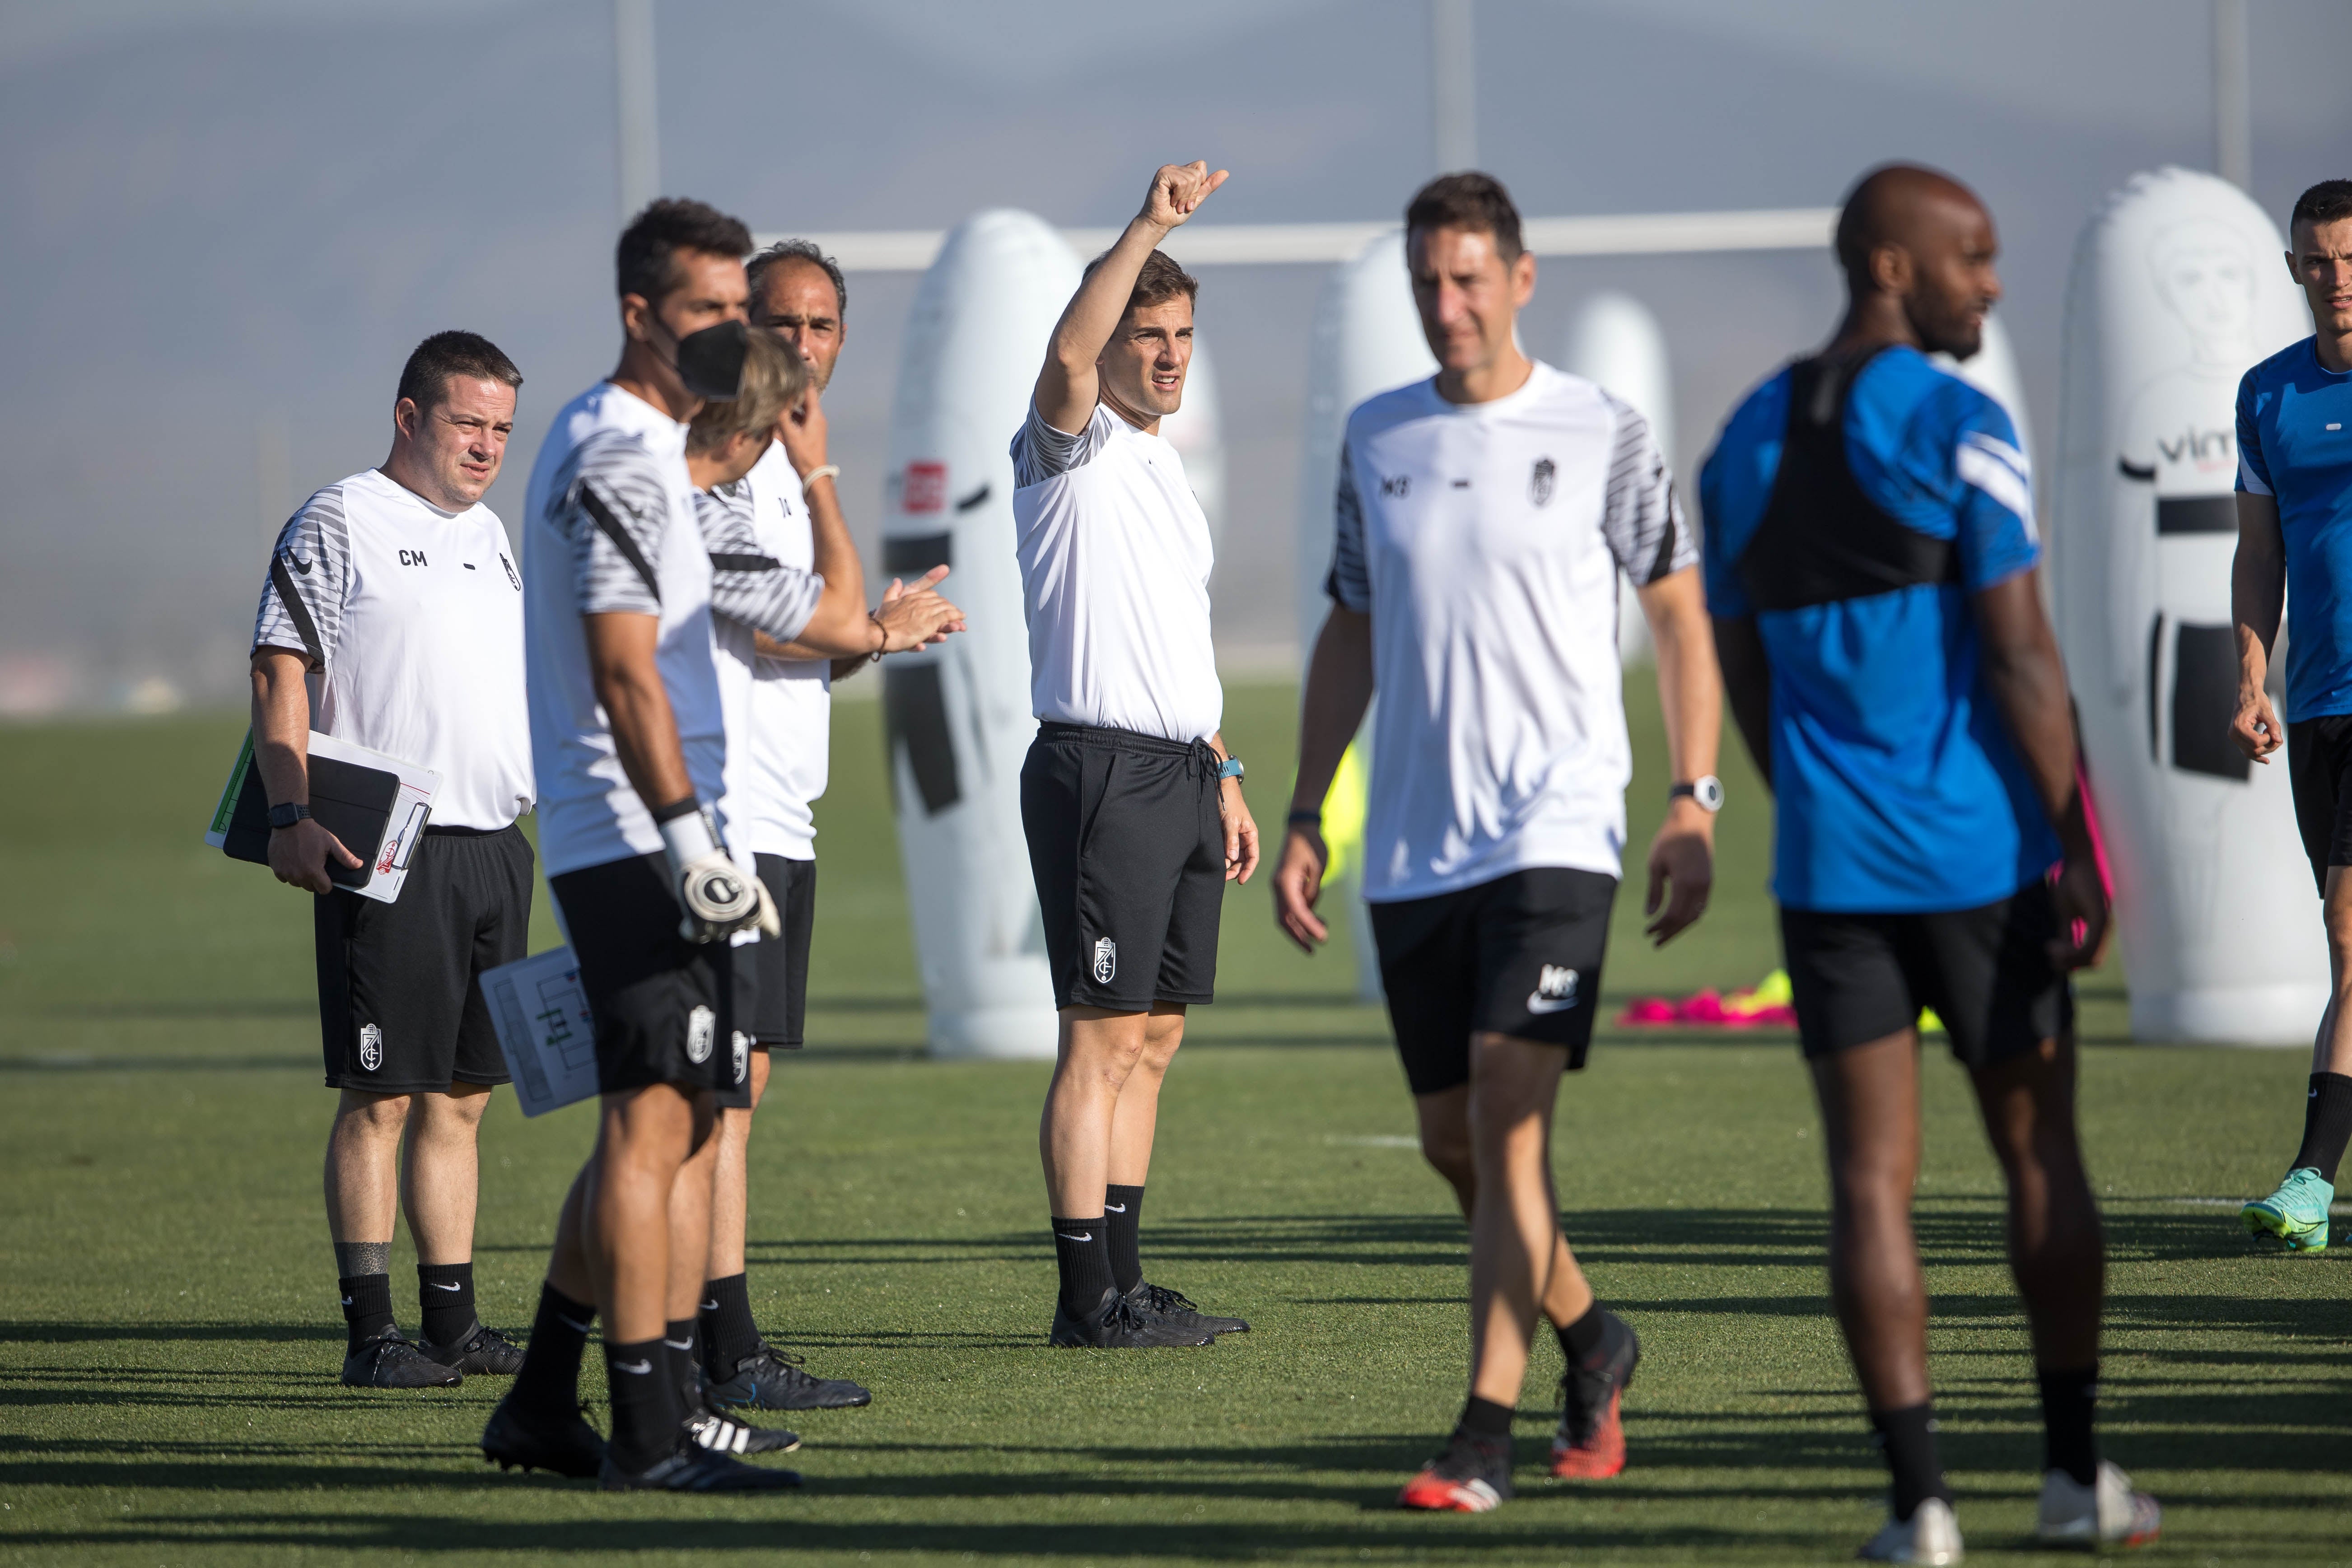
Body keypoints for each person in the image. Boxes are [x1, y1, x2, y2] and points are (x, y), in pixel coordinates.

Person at [1702, 163, 2159, 1559]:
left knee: (1868, 1188)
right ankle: (2077, 1485)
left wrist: (1820, 803)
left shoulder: (1738, 439)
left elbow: (1742, 670)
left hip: (1831, 879)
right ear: (1893, 267)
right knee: (2038, 1157)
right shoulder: (1963, 419)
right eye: (1974, 256)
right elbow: (2020, 650)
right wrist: (2076, 845)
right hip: (1982, 863)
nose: (1992, 282)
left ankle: (1922, 1512)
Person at [1272, 172, 1719, 1513]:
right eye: (1428, 282)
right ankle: (1597, 1337)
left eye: (1470, 278)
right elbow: (1350, 626)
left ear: (1523, 279)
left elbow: (1681, 614)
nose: (1447, 305)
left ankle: (1482, 1431)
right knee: (1454, 1144)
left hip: (1557, 832)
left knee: (1510, 1129)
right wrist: (1307, 809)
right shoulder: (1378, 436)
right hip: (1415, 846)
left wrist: (1692, 796)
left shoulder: (1602, 431)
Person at [479, 199, 798, 1493]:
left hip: (648, 831)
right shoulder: (614, 449)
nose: (731, 332)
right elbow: (623, 674)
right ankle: (654, 1434)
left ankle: (546, 1405)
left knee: (659, 1125)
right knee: (652, 1128)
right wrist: (688, 846)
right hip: (630, 832)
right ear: (638, 316)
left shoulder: (649, 449)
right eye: (707, 312)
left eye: (740, 309)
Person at [687, 301, 962, 1412]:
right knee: (712, 1098)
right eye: (785, 319)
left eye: (826, 322)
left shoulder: (766, 466)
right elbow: (769, 621)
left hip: (781, 816)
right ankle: (712, 1342)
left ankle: (702, 1336)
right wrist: (870, 618)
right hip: (725, 819)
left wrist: (866, 632)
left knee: (739, 1086)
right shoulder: (737, 466)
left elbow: (810, 642)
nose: (807, 339)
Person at [248, 330, 535, 1390]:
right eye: (469, 421)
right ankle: (372, 1334)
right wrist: (288, 810)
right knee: (381, 1096)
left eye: (503, 428)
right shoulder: (340, 518)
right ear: (409, 414)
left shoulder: (493, 532)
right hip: (389, 852)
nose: (487, 446)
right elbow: (281, 665)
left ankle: (452, 1326)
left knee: (464, 1100)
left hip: (498, 845)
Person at [1012, 160, 1259, 1349]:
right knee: (1099, 1040)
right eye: (1146, 334)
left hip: (1179, 776)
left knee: (1154, 1037)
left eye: (1181, 335)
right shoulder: (1075, 447)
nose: (1167, 355)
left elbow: (1171, 647)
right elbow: (1068, 358)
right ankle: (1082, 1303)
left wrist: (1226, 775)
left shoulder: (1163, 470)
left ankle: (1126, 1278)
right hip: (1098, 770)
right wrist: (1150, 224)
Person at [2231, 178, 2352, 1254]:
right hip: (2317, 704)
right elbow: (2260, 551)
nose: (2339, 279)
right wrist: (2250, 675)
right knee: (2346, 943)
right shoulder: (2268, 395)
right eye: (2319, 260)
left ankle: (2311, 1177)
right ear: (2294, 270)